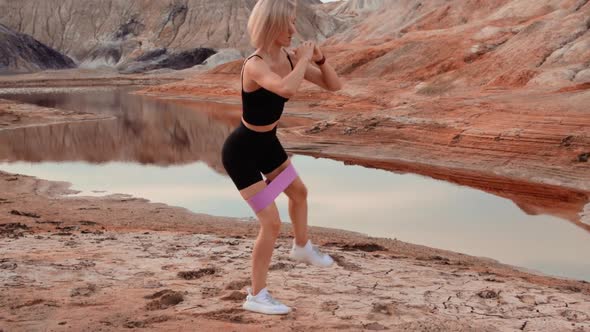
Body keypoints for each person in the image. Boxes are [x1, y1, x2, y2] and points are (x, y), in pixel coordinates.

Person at [221, 0, 343, 315]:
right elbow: (285, 89)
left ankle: (302, 247)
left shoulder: (289, 59)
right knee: (271, 223)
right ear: (272, 26)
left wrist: (319, 58)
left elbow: (334, 85)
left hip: (268, 145)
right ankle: (256, 296)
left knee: (299, 193)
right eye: (288, 23)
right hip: (242, 153)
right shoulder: (255, 64)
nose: (293, 29)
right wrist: (303, 60)